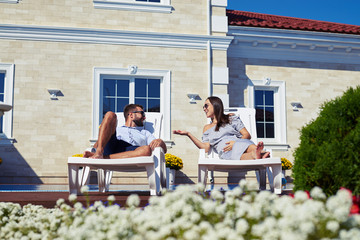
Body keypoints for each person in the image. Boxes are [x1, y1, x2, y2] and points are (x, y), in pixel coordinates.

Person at [173, 96, 270, 160]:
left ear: (215, 105)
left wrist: (235, 143)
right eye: (203, 107)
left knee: (246, 145)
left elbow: (246, 135)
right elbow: (205, 148)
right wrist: (188, 134)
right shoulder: (207, 128)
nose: (204, 109)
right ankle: (259, 154)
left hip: (240, 142)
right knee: (240, 156)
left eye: (206, 105)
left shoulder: (230, 118)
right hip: (226, 151)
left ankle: (258, 152)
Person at [84, 104, 167, 159]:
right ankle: (99, 152)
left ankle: (104, 157)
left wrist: (160, 141)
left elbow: (164, 150)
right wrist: (95, 149)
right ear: (131, 115)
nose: (144, 118)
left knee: (146, 150)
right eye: (142, 113)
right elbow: (99, 142)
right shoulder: (116, 129)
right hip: (113, 144)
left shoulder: (145, 132)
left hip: (132, 151)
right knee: (110, 114)